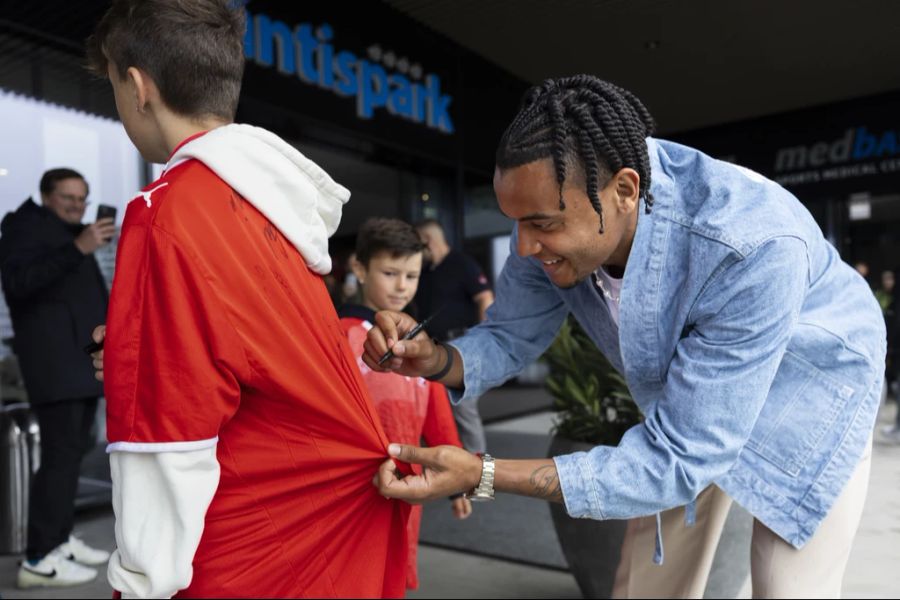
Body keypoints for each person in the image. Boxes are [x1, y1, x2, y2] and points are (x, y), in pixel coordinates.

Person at [364, 76, 886, 598]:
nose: (523, 247)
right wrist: (433, 359)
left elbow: (676, 460)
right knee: (648, 586)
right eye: (514, 223)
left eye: (541, 224)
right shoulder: (557, 209)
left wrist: (483, 473)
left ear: (625, 191)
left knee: (788, 587)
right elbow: (508, 336)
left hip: (812, 388)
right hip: (688, 406)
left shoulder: (749, 245)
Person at [85, 1, 408, 597]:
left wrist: (142, 577)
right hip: (327, 508)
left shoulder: (167, 211)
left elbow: (167, 431)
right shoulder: (275, 206)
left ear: (137, 85)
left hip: (253, 526)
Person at [338, 217, 472, 590]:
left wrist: (458, 482)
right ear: (360, 268)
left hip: (407, 487)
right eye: (390, 272)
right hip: (352, 488)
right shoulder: (338, 335)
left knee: (393, 576)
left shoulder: (419, 345)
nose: (401, 286)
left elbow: (438, 417)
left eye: (411, 276)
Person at [0, 168, 114, 588]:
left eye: (83, 198)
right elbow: (18, 282)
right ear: (46, 195)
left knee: (71, 453)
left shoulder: (67, 232)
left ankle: (59, 539)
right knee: (59, 459)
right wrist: (80, 247)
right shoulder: (24, 226)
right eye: (69, 197)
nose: (78, 205)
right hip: (55, 366)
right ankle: (38, 557)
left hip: (77, 365)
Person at [414, 219, 494, 454]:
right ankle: (451, 471)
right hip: (433, 348)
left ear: (427, 241)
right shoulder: (425, 272)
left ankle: (478, 477)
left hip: (462, 346)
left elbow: (485, 298)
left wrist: (481, 342)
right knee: (438, 412)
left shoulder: (461, 264)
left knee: (464, 409)